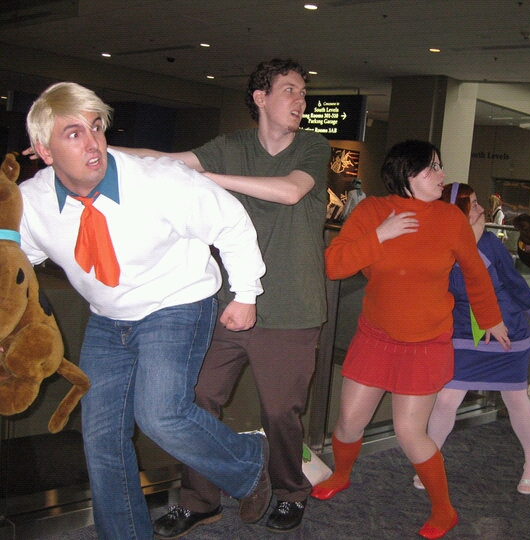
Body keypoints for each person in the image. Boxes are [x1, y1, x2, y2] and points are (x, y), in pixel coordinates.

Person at [19, 82, 270, 540]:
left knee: (160, 413)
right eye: (74, 133)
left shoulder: (159, 181)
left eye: (96, 127)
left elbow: (231, 222)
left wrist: (246, 294)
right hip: (107, 317)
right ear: (45, 151)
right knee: (100, 436)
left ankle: (247, 462)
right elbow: (14, 264)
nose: (93, 143)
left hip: (176, 301)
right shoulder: (32, 203)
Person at [115, 58, 331, 535]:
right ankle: (199, 499)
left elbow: (290, 192)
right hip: (229, 305)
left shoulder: (314, 146)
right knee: (196, 401)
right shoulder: (230, 147)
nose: (300, 100)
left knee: (280, 412)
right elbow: (162, 160)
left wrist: (208, 179)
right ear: (261, 98)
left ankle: (291, 491)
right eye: (290, 90)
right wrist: (94, 150)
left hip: (292, 309)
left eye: (302, 92)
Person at [311, 140, 511, 540]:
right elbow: (333, 265)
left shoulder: (449, 218)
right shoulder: (373, 211)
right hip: (376, 336)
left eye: (439, 166)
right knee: (349, 422)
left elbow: (474, 272)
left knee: (409, 432)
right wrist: (380, 235)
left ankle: (444, 509)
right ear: (405, 174)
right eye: (431, 168)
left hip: (426, 341)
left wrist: (491, 319)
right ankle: (342, 474)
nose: (442, 175)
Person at [413, 182, 530, 496]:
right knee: (446, 399)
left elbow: (513, 283)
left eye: (478, 202)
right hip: (464, 331)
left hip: (506, 329)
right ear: (455, 212)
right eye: (473, 204)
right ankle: (430, 461)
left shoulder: (490, 242)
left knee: (515, 397)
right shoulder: (436, 244)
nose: (481, 209)